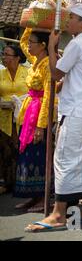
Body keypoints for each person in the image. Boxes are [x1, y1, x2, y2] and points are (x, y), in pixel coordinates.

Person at [25, 2, 82, 232]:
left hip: (79, 111)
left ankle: (59, 214)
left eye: (72, 17)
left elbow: (55, 74)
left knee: (65, 159)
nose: (68, 20)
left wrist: (51, 48)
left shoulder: (78, 44)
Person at [13, 28, 54, 213]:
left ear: (43, 45)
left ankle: (43, 198)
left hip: (39, 114)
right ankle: (32, 196)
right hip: (28, 111)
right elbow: (22, 43)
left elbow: (48, 97)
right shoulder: (35, 61)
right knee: (27, 155)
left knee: (39, 156)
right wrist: (31, 24)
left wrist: (41, 125)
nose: (28, 45)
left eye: (32, 42)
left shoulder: (47, 64)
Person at [0, 45, 28, 195]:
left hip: (23, 117)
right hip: (4, 117)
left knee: (20, 148)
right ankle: (6, 182)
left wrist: (19, 102)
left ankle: (21, 182)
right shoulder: (1, 74)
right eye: (3, 55)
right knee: (5, 150)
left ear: (17, 58)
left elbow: (32, 93)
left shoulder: (27, 73)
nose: (4, 57)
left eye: (7, 55)